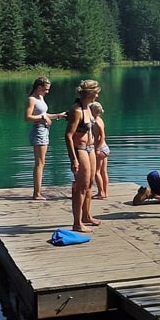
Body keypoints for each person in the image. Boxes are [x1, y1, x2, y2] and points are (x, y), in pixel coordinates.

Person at [64, 79, 103, 233]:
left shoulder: (88, 108)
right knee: (81, 186)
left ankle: (86, 215)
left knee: (89, 184)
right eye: (96, 92)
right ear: (90, 92)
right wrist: (73, 158)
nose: (98, 95)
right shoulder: (77, 110)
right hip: (79, 149)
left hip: (90, 148)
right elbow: (68, 135)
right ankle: (77, 223)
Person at [24, 77, 66, 200]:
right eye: (45, 89)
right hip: (38, 132)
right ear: (39, 87)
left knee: (42, 162)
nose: (47, 92)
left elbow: (44, 114)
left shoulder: (40, 98)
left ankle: (38, 192)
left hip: (44, 131)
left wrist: (59, 115)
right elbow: (27, 117)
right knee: (39, 163)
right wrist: (42, 118)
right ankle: (37, 194)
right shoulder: (31, 99)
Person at [90, 102, 109, 199]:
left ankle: (101, 192)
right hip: (105, 147)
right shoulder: (100, 119)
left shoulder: (96, 122)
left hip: (100, 148)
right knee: (103, 171)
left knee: (97, 172)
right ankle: (105, 192)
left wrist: (97, 148)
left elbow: (102, 136)